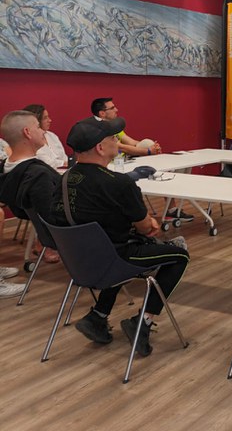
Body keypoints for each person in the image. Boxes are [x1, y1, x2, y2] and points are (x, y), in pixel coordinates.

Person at [52, 116, 190, 356]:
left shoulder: (63, 180)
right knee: (179, 256)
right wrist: (150, 224)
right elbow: (146, 227)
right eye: (113, 138)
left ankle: (98, 316)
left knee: (116, 245)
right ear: (100, 147)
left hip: (78, 262)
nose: (117, 142)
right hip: (114, 259)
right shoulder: (119, 184)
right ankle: (143, 321)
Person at [91, 97, 192, 222]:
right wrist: (148, 151)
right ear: (102, 113)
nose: (116, 110)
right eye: (112, 108)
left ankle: (171, 210)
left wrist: (151, 147)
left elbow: (132, 143)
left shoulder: (115, 127)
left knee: (148, 143)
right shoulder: (98, 129)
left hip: (127, 161)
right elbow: (120, 147)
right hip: (112, 166)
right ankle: (140, 215)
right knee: (146, 159)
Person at [0, 110, 61, 264]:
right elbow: (53, 219)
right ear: (27, 132)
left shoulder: (8, 169)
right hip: (68, 234)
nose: (43, 132)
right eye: (38, 127)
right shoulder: (37, 175)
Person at [23, 104, 68, 169]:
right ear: (36, 121)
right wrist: (63, 163)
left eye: (48, 117)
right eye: (45, 118)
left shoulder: (52, 136)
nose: (50, 120)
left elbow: (64, 157)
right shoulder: (30, 141)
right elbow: (43, 163)